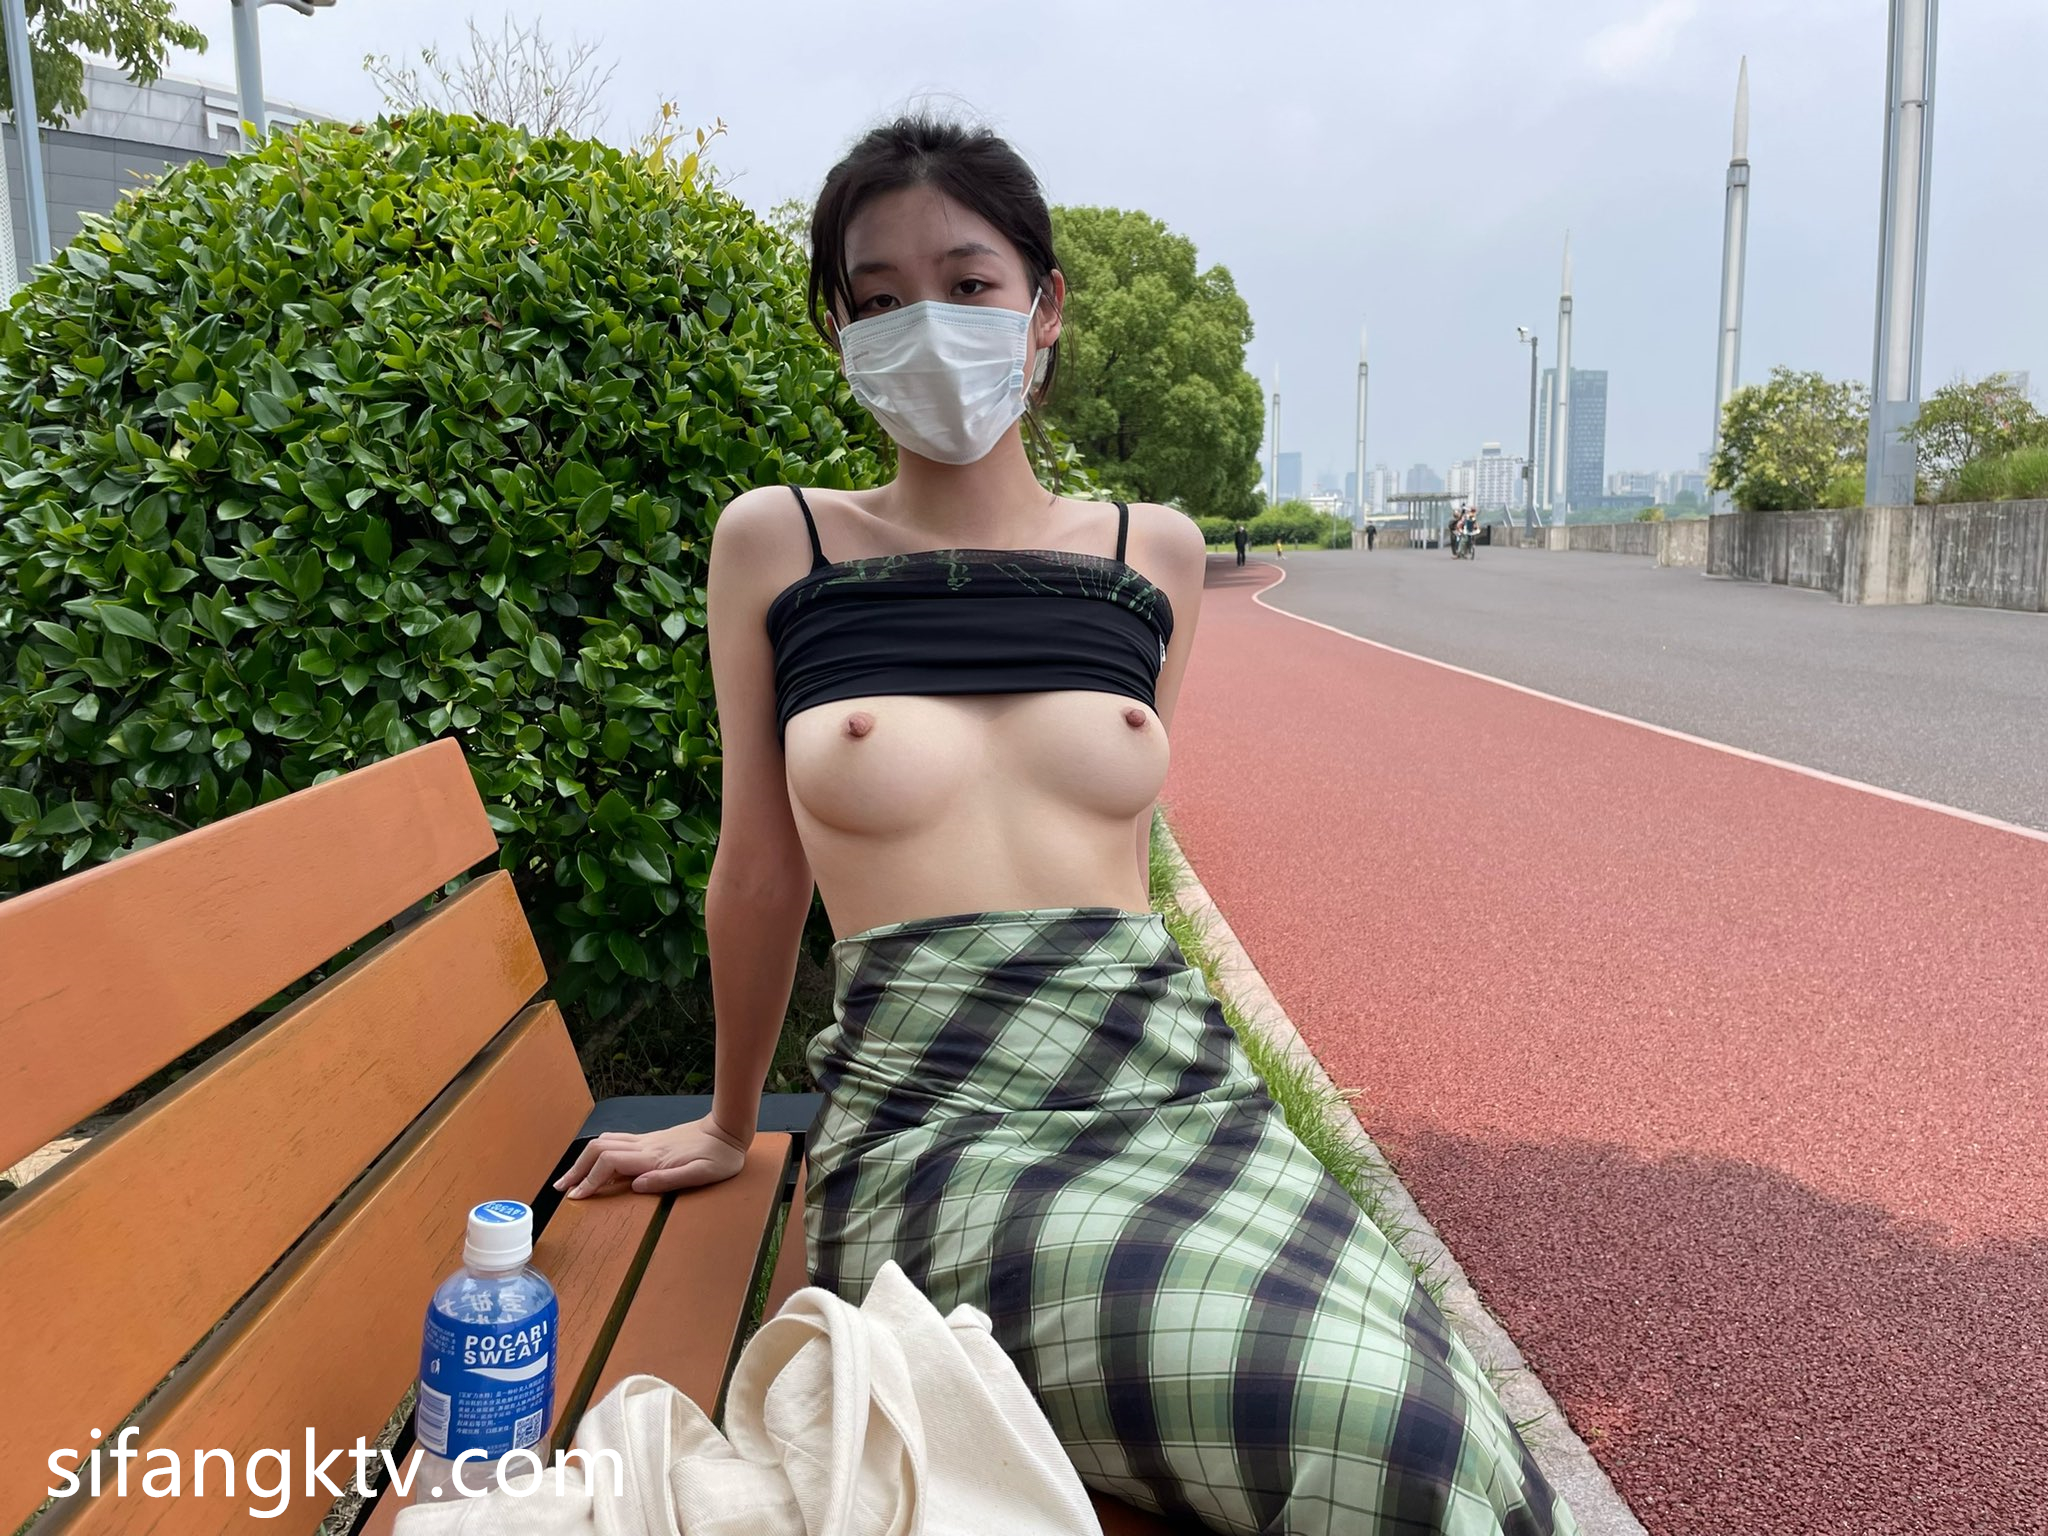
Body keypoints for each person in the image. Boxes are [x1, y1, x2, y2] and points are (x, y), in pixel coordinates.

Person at [552, 114, 1573, 1536]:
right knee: (1367, 1427)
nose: (926, 323)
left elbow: (1119, 852)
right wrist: (733, 1124)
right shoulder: (779, 541)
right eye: (877, 298)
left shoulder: (1149, 553)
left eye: (967, 283)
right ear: (839, 332)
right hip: (929, 1117)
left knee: (1444, 1414)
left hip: (1173, 1089)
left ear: (1043, 309)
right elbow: (760, 867)